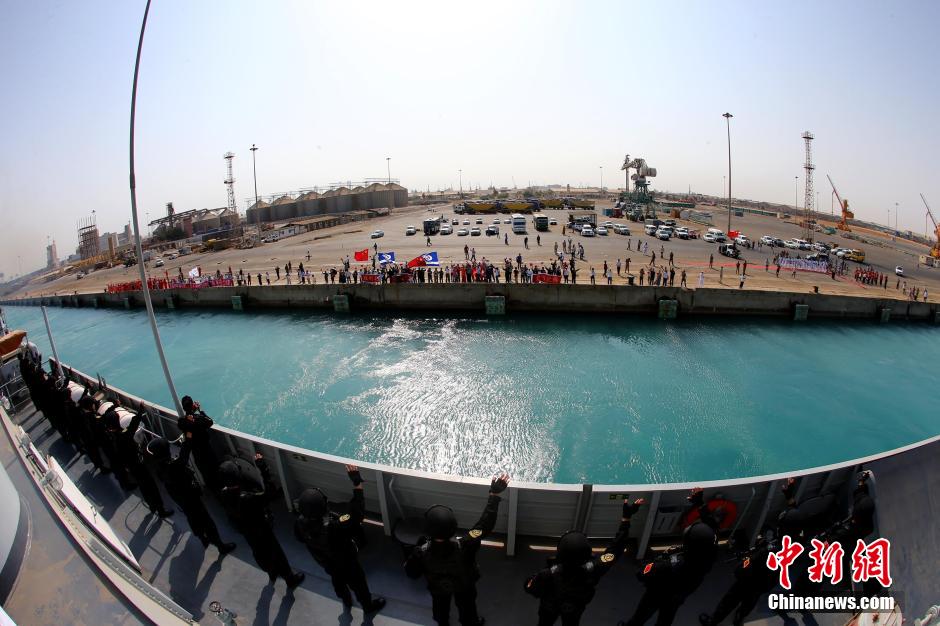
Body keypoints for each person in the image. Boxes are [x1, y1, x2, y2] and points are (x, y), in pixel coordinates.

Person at [405, 473, 510, 626]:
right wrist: (494, 495)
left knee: (440, 609)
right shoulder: (466, 543)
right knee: (467, 608)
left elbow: (411, 573)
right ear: (453, 527)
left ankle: (443, 622)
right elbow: (484, 526)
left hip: (438, 588)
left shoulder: (421, 552)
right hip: (464, 585)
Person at [525, 498, 645, 625]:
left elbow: (529, 587)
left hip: (549, 608)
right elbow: (616, 549)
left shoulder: (547, 574)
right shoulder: (594, 568)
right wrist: (626, 519)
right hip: (574, 609)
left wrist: (534, 579)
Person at [619, 488, 721, 626]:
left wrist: (651, 565)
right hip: (681, 594)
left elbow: (642, 574)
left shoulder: (671, 565)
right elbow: (711, 527)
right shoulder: (709, 550)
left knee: (642, 614)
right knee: (666, 617)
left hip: (659, 592)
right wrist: (699, 503)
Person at [293, 465, 386, 614]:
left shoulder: (300, 524)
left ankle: (346, 600)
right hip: (347, 563)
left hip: (327, 564)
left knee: (337, 580)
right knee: (359, 584)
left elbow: (300, 539)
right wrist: (357, 483)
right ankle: (368, 607)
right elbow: (357, 515)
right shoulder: (334, 527)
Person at [218, 454, 305, 589]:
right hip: (261, 529)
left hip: (248, 532)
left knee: (259, 552)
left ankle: (271, 572)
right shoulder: (247, 498)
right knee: (276, 552)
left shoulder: (224, 494)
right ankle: (290, 579)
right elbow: (269, 493)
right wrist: (263, 469)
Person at [147, 436, 236, 555]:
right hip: (190, 498)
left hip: (180, 499)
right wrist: (188, 436)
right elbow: (185, 453)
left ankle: (202, 538)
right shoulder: (174, 466)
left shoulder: (159, 467)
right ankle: (220, 546)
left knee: (191, 518)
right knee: (207, 521)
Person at [178, 395, 219, 488]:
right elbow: (210, 422)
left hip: (197, 452)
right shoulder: (199, 418)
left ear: (183, 408)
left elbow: (187, 425)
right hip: (207, 449)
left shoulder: (182, 422)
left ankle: (211, 488)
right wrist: (200, 410)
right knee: (214, 469)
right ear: (193, 405)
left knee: (205, 472)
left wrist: (191, 412)